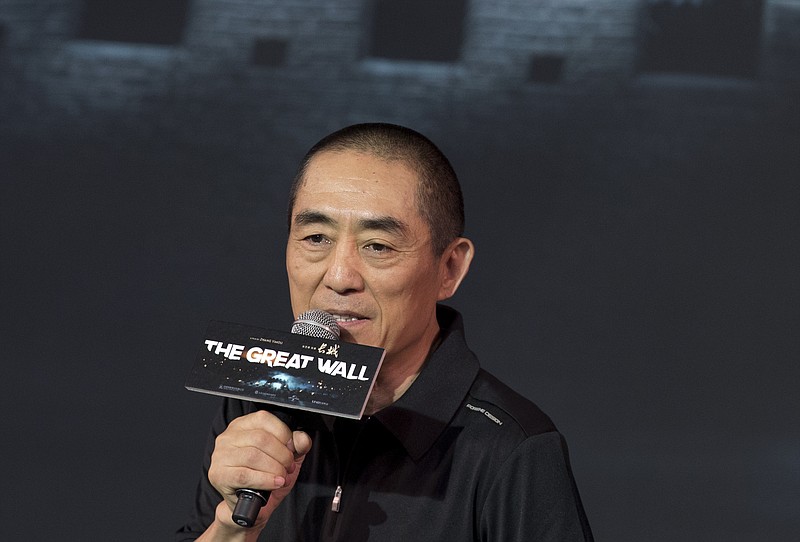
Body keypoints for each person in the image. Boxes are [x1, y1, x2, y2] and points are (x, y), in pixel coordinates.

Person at [176, 123, 593, 541]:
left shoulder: (511, 450)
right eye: (316, 237)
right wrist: (231, 527)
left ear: (449, 269)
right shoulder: (255, 406)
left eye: (378, 246)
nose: (339, 277)